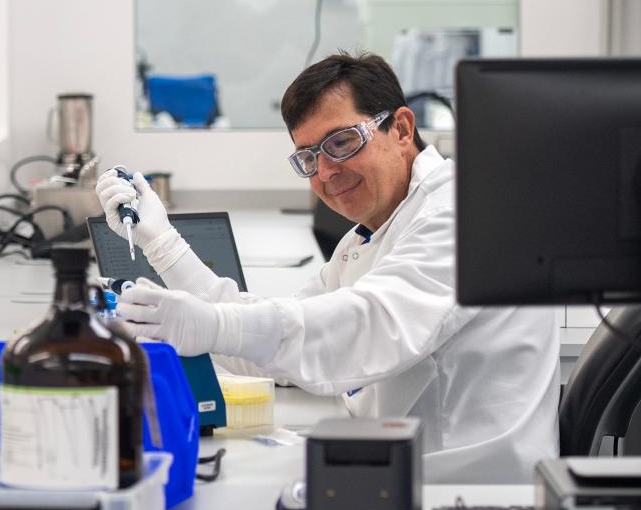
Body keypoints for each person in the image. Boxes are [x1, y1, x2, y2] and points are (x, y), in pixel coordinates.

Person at [95, 52, 559, 484]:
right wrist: (162, 243)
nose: (326, 171)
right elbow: (280, 341)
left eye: (342, 142)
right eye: (309, 157)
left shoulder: (464, 210)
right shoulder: (374, 232)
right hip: (406, 472)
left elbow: (370, 325)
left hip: (475, 501)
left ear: (400, 128)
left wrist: (215, 325)